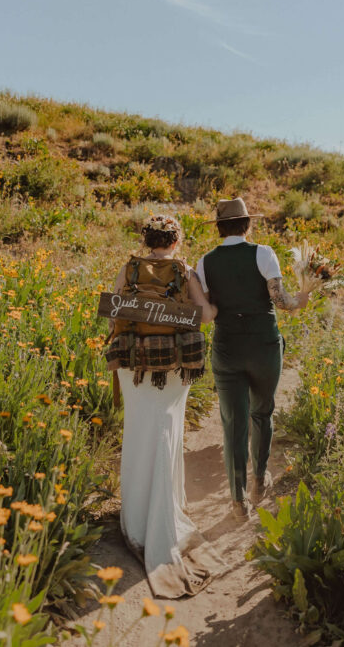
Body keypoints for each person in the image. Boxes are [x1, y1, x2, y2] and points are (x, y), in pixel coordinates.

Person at [106, 214, 223, 598]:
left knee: (138, 431)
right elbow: (204, 316)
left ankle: (135, 520)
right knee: (166, 432)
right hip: (172, 367)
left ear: (146, 240)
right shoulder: (184, 272)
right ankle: (165, 512)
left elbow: (114, 314)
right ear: (176, 241)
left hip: (134, 366)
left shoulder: (130, 268)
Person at [196, 198, 310, 520]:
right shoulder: (263, 253)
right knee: (262, 412)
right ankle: (260, 479)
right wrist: (300, 299)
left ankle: (237, 500)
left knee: (233, 423)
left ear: (219, 227)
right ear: (247, 225)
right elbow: (281, 300)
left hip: (227, 346)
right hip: (263, 345)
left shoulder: (205, 262)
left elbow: (208, 308)